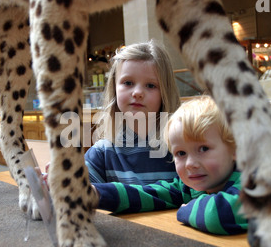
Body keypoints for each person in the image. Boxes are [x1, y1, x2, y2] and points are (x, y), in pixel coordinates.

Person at [92, 96, 248, 235]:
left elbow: (218, 215)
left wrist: (185, 210)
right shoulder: (188, 188)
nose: (190, 164)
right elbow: (150, 194)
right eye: (181, 153)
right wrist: (97, 194)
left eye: (204, 149)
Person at [85, 40, 181, 185]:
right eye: (128, 83)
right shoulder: (102, 154)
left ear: (165, 92)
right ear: (114, 89)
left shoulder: (185, 149)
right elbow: (79, 195)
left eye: (150, 85)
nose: (137, 93)